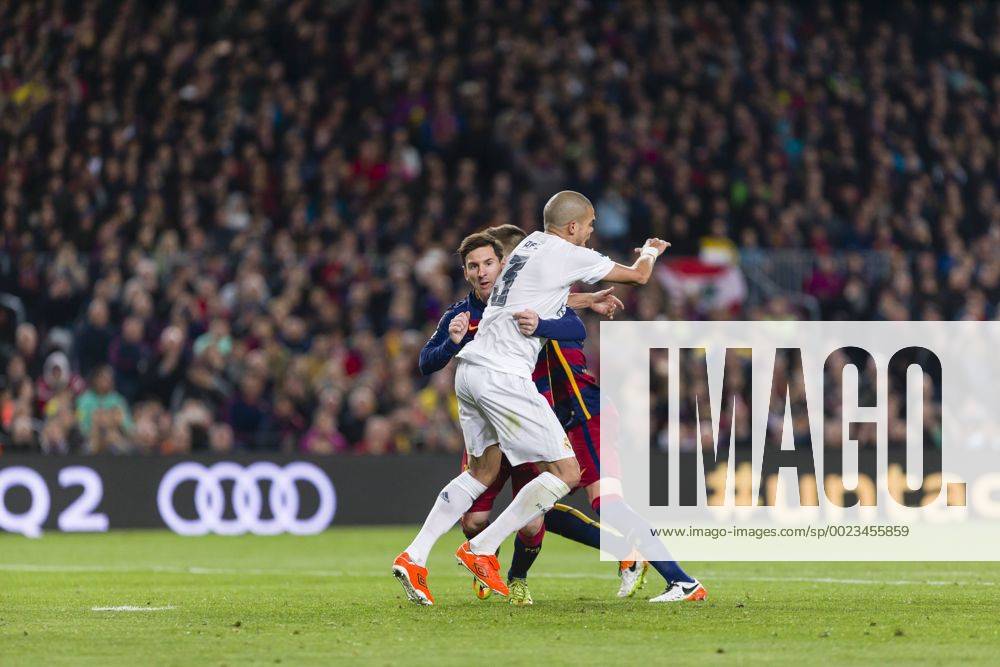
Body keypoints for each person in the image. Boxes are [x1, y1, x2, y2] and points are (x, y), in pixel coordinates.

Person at [392, 190, 687, 605]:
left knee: (480, 474)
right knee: (567, 473)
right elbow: (638, 276)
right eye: (589, 226)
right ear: (571, 228)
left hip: (471, 372)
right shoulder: (566, 252)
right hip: (505, 377)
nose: (590, 233)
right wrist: (651, 252)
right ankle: (481, 550)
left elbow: (545, 295)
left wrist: (581, 300)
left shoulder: (526, 247)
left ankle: (414, 556)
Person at [417, 226, 628, 605]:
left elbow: (564, 316)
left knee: (533, 520)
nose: (482, 272)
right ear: (465, 273)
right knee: (474, 519)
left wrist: (579, 303)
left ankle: (518, 577)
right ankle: (481, 557)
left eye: (488, 264)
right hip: (490, 421)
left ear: (504, 266)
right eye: (473, 266)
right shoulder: (461, 314)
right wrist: (452, 341)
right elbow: (426, 362)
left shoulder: (524, 298)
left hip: (526, 415)